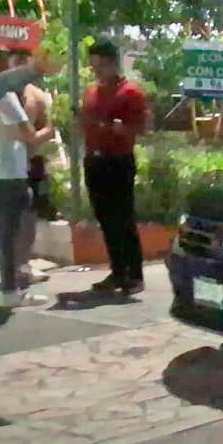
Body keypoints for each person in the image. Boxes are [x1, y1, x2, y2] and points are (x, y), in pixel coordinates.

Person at [0, 44, 53, 309]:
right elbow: (27, 135)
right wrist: (49, 130)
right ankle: (9, 290)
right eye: (3, 63)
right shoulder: (2, 95)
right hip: (8, 172)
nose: (7, 68)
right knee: (9, 236)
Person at [79, 40, 148, 295]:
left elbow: (142, 127)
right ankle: (118, 271)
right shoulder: (91, 92)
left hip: (118, 161)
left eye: (100, 65)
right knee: (105, 218)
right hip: (94, 161)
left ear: (112, 63)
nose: (96, 70)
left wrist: (123, 129)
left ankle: (135, 274)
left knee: (123, 217)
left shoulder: (131, 92)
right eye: (93, 65)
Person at [7, 49, 57, 284]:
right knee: (2, 218)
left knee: (29, 217)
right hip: (1, 164)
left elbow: (50, 128)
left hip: (30, 162)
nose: (18, 65)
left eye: (23, 61)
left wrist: (32, 140)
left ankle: (23, 264)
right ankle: (5, 267)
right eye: (15, 60)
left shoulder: (36, 95)